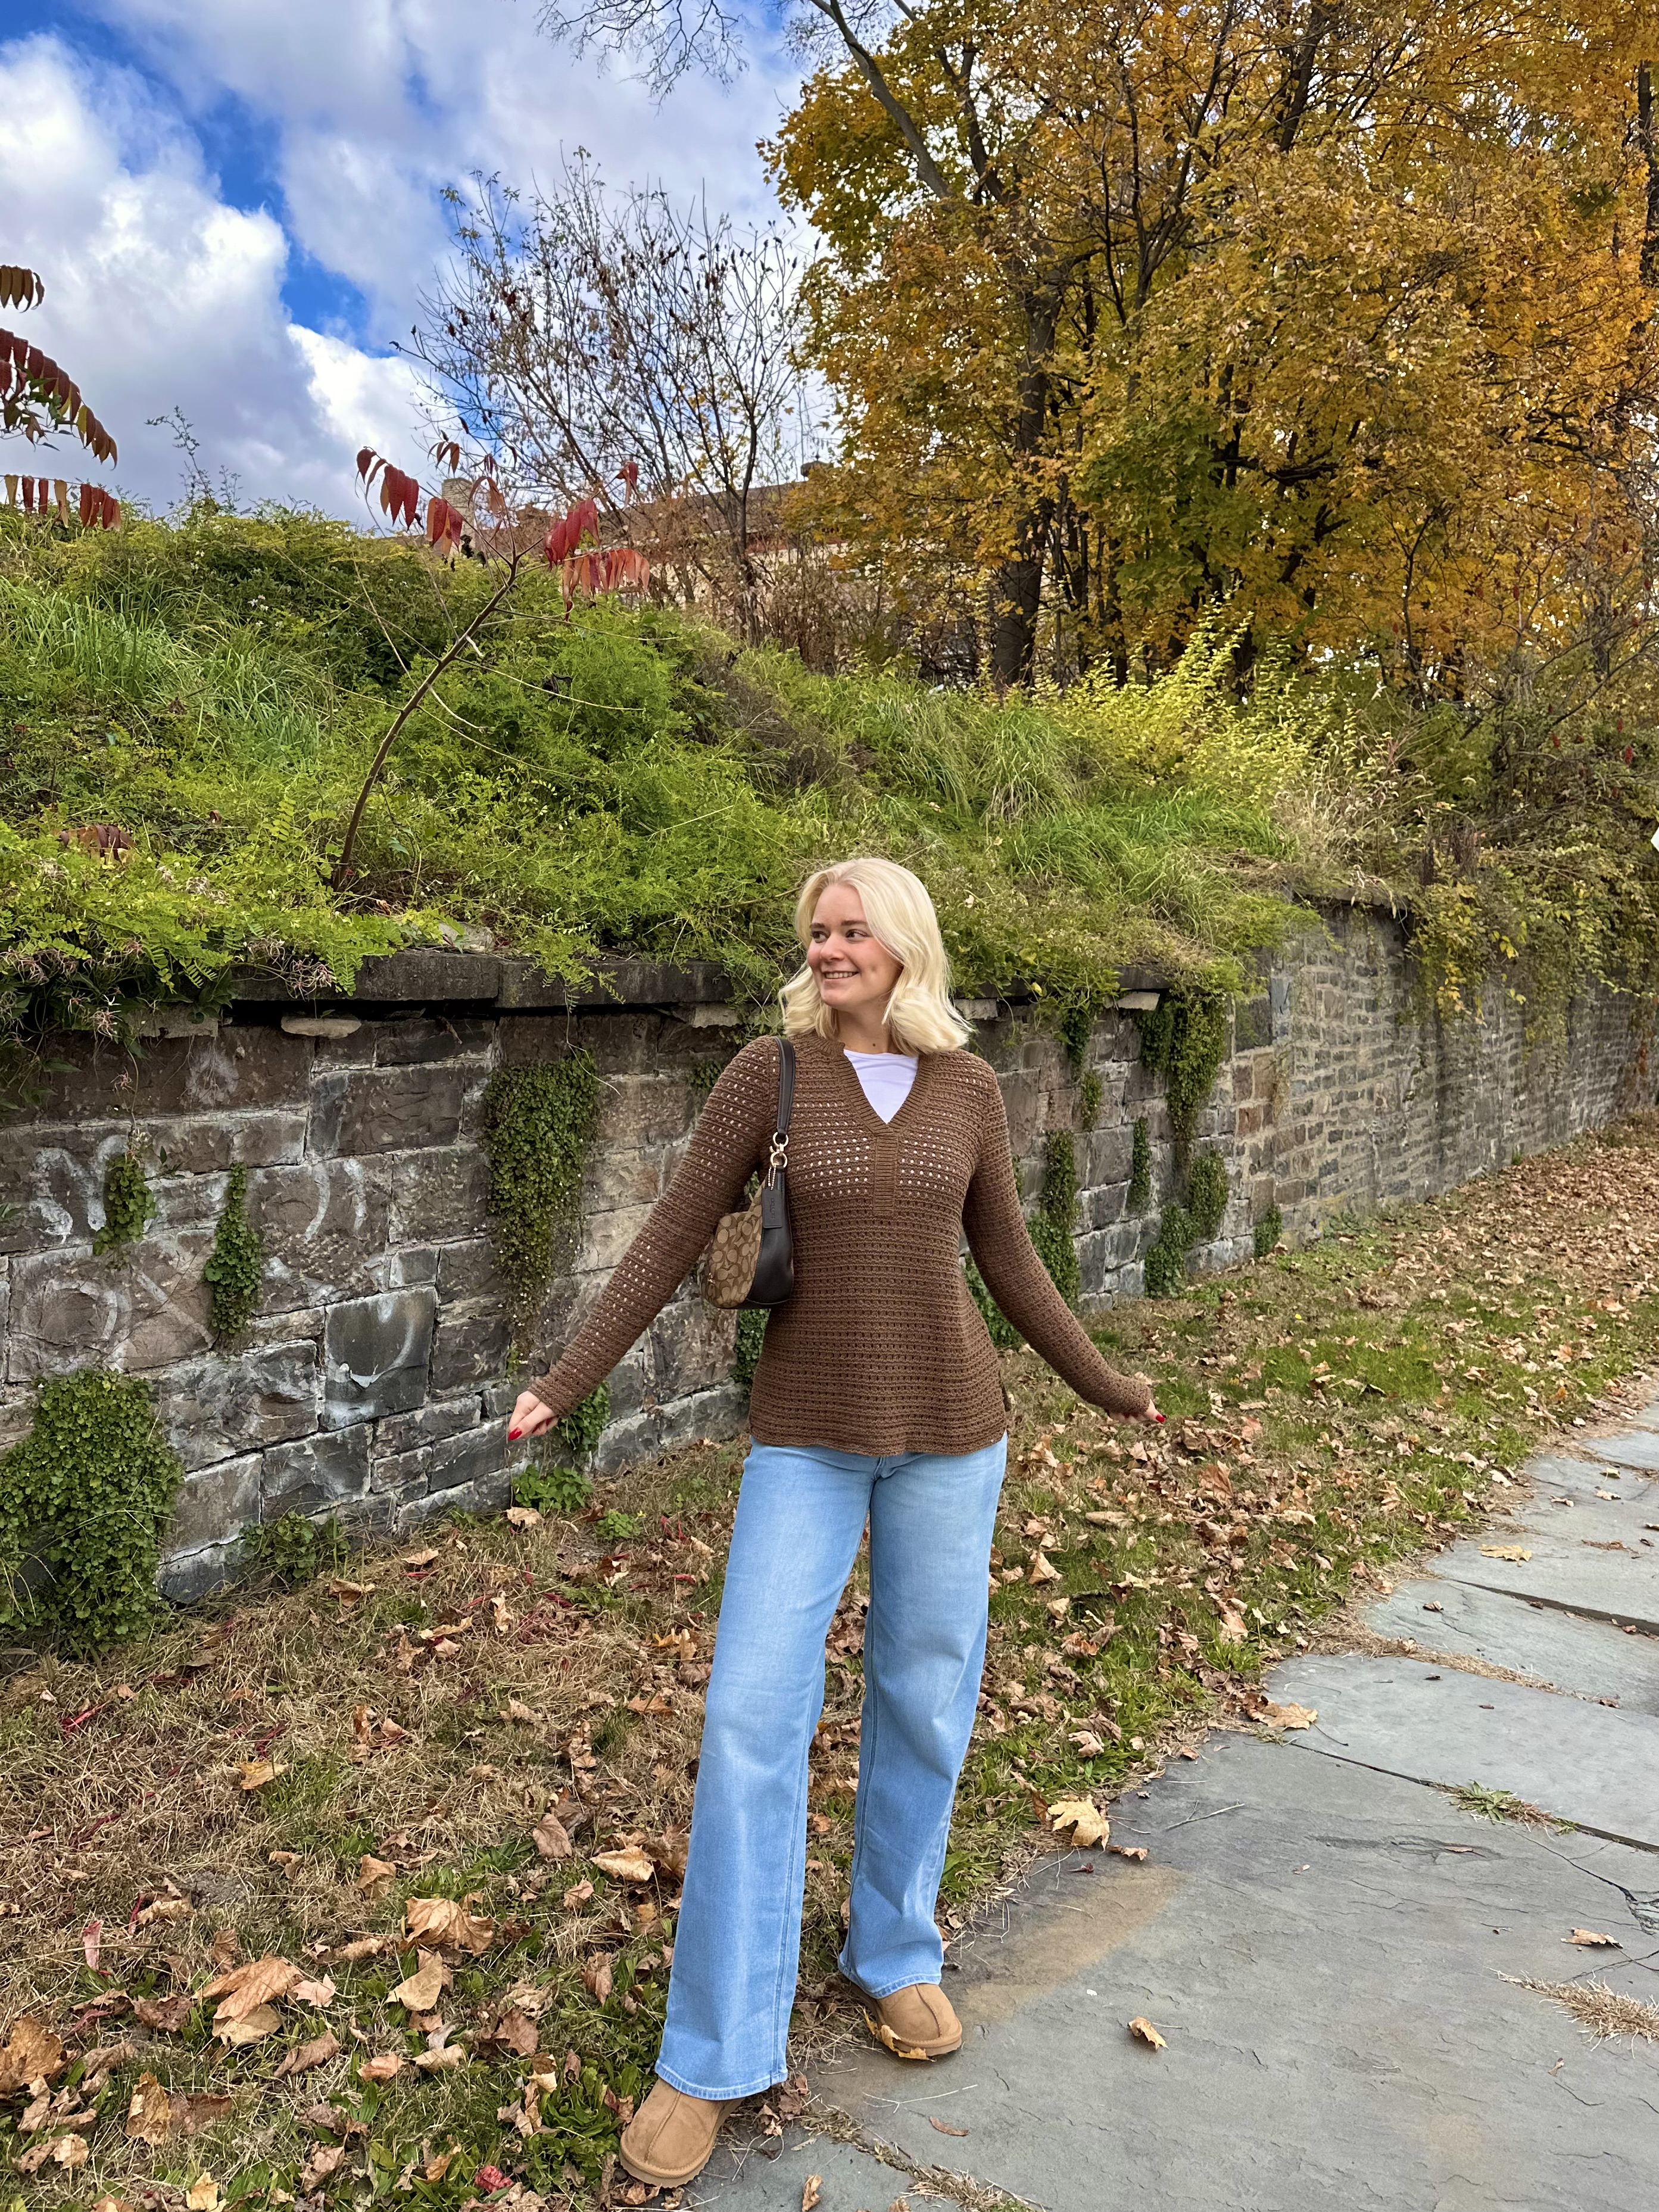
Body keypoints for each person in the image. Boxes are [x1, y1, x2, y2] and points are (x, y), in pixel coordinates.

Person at [507, 856, 1160, 2190]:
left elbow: (1009, 1259)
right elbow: (670, 1234)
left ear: (904, 944)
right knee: (751, 1715)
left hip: (951, 1436)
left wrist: (1105, 1382)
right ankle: (712, 2052)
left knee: (924, 1694)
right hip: (805, 1436)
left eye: (853, 929)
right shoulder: (771, 1076)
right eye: (817, 931)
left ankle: (892, 1947)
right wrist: (565, 1380)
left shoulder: (967, 1090)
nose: (828, 948)